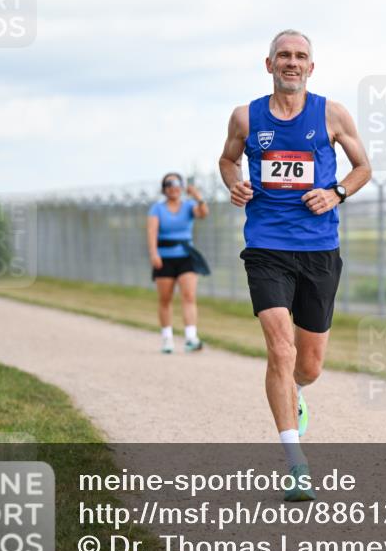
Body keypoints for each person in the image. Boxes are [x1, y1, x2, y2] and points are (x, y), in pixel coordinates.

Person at [218, 30, 372, 501]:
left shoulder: (333, 113)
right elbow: (227, 160)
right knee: (280, 352)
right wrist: (235, 183)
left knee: (309, 364)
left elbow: (363, 167)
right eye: (283, 56)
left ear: (311, 67)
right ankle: (296, 464)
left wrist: (337, 192)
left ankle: (296, 392)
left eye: (300, 56)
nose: (291, 62)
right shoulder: (246, 116)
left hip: (319, 250)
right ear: (268, 65)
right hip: (266, 248)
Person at [146, 172, 210, 353]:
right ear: (164, 188)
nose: (173, 187)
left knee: (188, 296)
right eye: (169, 184)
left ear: (182, 187)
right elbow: (152, 232)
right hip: (164, 258)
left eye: (176, 183)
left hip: (186, 256)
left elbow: (203, 213)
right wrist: (153, 254)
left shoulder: (189, 205)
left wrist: (198, 197)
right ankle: (167, 338)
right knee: (165, 299)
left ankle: (191, 337)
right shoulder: (157, 209)